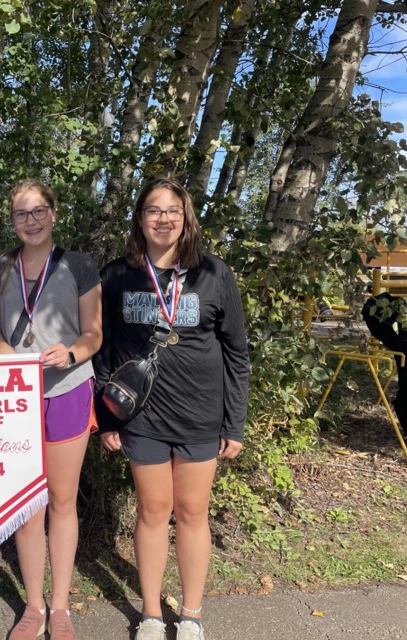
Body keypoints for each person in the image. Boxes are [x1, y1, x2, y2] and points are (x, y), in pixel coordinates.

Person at [93, 179, 250, 640]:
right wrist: (106, 418)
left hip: (201, 415)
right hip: (143, 418)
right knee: (152, 511)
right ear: (139, 220)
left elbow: (237, 353)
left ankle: (193, 615)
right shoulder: (117, 276)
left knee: (193, 512)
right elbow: (102, 352)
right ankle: (151, 614)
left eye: (173, 211)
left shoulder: (213, 274)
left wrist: (234, 422)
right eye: (153, 210)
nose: (163, 219)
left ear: (186, 220)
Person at [0, 180, 103, 640]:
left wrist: (72, 354)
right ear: (12, 220)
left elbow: (94, 333)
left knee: (62, 500)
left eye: (38, 212)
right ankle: (33, 607)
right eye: (21, 214)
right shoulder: (0, 265)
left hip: (68, 389)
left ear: (53, 213)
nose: (30, 221)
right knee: (28, 505)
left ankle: (61, 608)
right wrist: (4, 354)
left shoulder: (79, 265)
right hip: (15, 395)